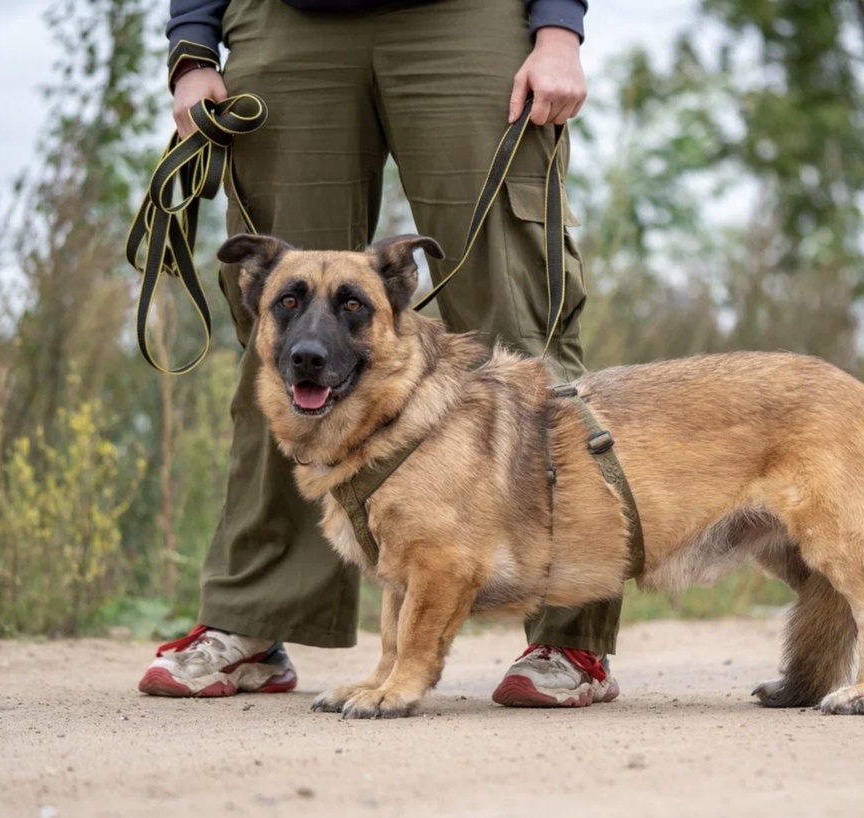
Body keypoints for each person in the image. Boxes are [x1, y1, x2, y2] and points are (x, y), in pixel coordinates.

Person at [138, 0, 624, 708]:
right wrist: (192, 45)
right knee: (289, 346)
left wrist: (558, 27)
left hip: (469, 17)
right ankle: (253, 619)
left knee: (521, 328)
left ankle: (568, 634)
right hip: (287, 20)